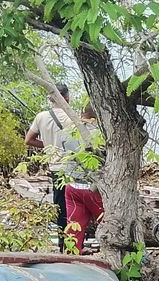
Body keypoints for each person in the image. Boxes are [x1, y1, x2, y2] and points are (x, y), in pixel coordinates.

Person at [25, 83, 73, 251]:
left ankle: (62, 245)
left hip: (55, 169)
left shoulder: (41, 117)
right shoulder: (72, 118)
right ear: (66, 98)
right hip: (73, 168)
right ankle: (74, 243)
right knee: (76, 207)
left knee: (60, 207)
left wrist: (47, 145)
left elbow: (28, 140)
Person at [61, 104, 104, 254]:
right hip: (94, 188)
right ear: (96, 118)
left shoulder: (67, 132)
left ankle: (71, 260)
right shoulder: (99, 134)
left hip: (71, 186)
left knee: (73, 228)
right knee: (110, 226)